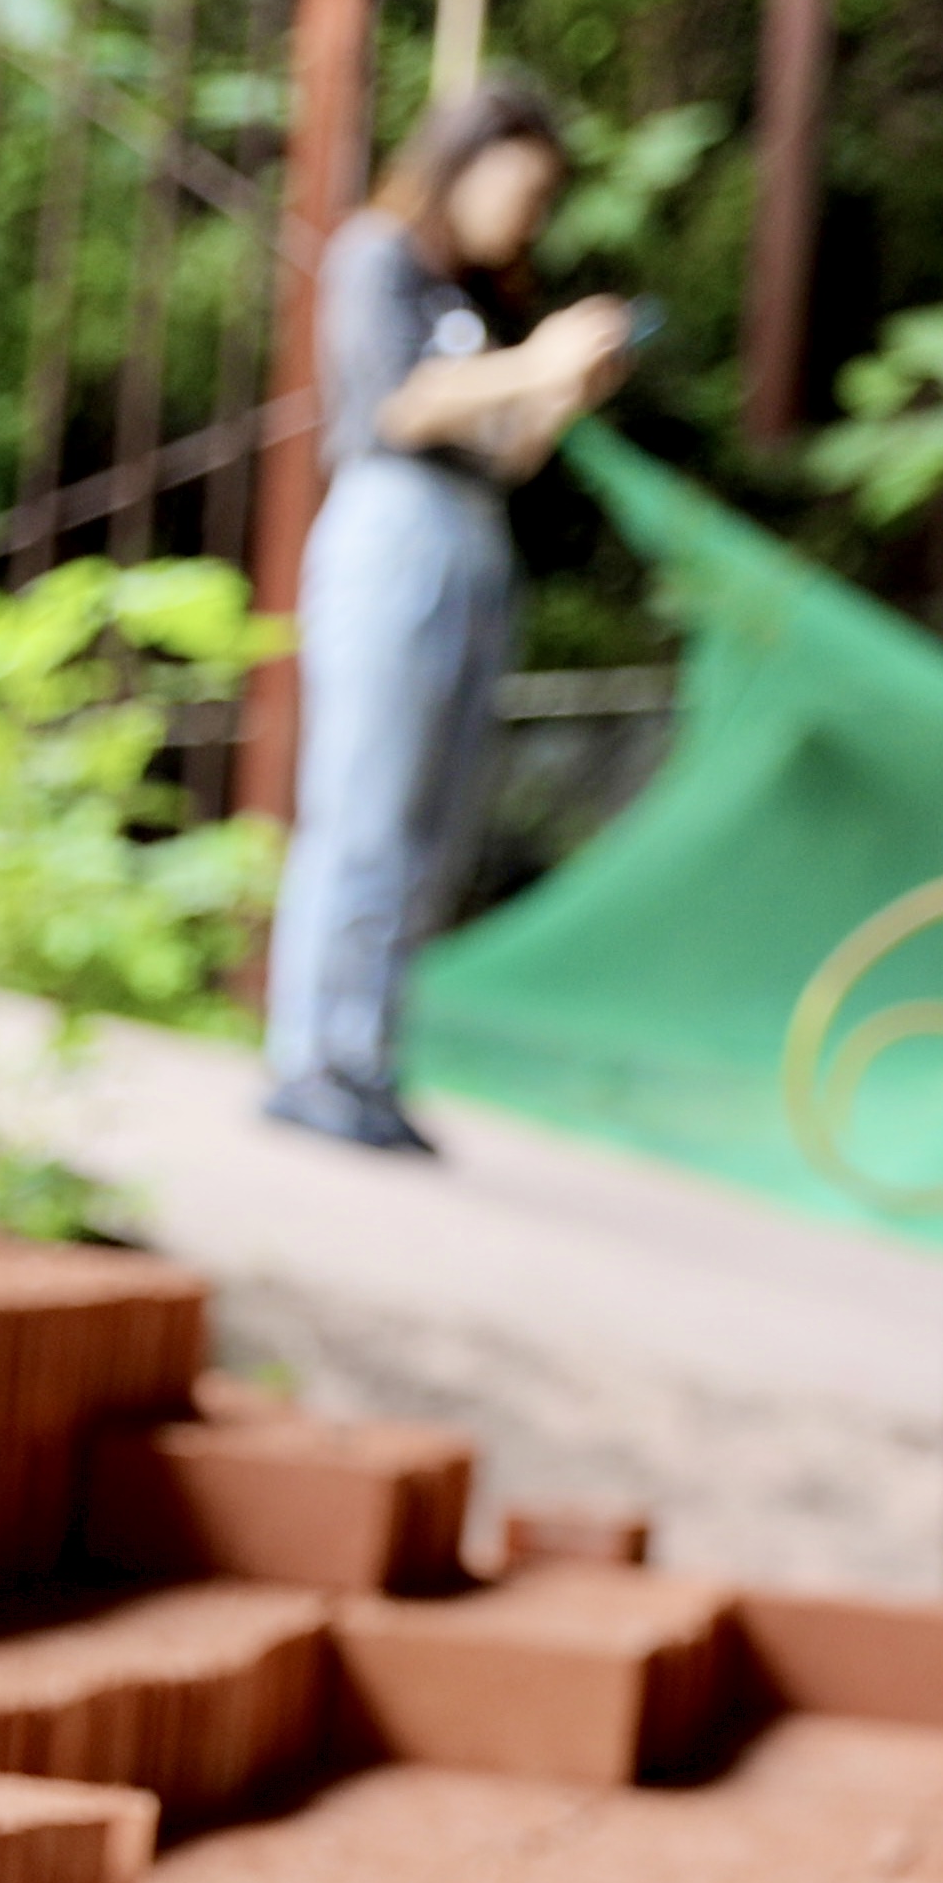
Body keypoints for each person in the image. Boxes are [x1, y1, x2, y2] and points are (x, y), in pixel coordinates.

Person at [260, 83, 636, 1153]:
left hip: (471, 538)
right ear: (463, 163)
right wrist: (536, 362)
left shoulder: (470, 298)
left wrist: (563, 391)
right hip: (391, 529)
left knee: (433, 817)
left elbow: (504, 448)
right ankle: (313, 1059)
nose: (527, 211)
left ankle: (367, 1058)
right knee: (363, 805)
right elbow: (402, 405)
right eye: (520, 184)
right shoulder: (376, 254)